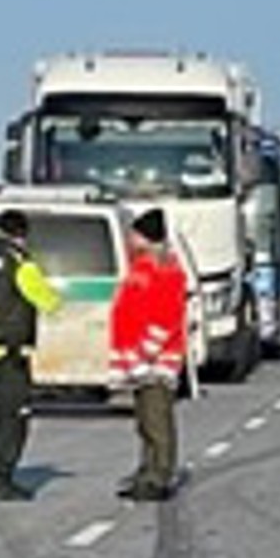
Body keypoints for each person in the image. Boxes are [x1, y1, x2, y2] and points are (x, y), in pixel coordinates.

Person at [0, 209, 59, 501]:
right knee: (13, 417)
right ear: (21, 235)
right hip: (9, 351)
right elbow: (48, 301)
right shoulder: (20, 265)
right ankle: (0, 477)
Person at [111, 208, 187, 500]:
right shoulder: (142, 266)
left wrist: (146, 352)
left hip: (156, 361)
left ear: (146, 237)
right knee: (144, 422)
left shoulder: (165, 269)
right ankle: (146, 472)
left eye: (134, 233)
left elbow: (166, 316)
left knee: (157, 421)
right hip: (140, 359)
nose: (129, 238)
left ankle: (160, 476)